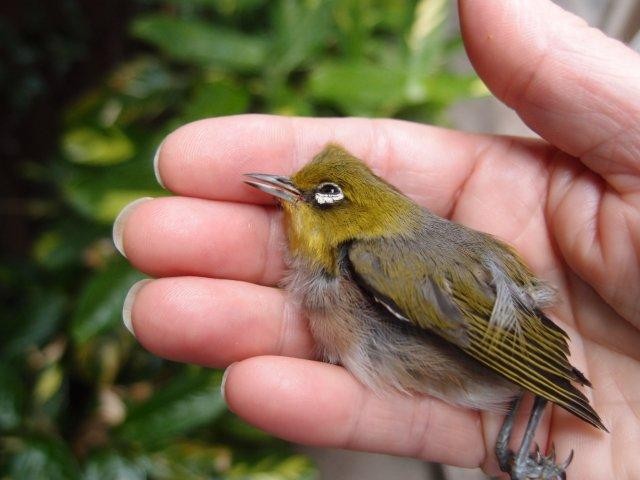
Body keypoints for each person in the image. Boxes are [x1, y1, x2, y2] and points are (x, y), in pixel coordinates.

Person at [112, 1, 640, 478]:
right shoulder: (350, 257)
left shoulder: (374, 259)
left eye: (319, 194)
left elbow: (495, 336)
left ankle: (523, 455)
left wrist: (549, 387)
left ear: (346, 207)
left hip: (515, 347)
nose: (293, 197)